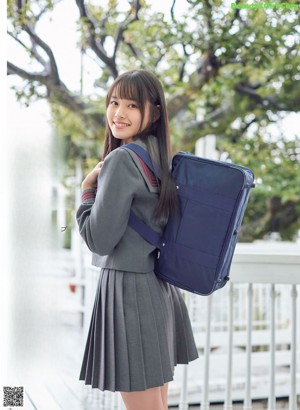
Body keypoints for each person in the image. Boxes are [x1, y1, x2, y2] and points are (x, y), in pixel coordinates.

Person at [76, 69, 198, 410]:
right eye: (114, 102)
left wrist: (87, 191)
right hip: (157, 289)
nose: (119, 113)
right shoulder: (158, 156)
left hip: (128, 292)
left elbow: (98, 240)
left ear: (154, 112)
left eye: (132, 105)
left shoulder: (120, 160)